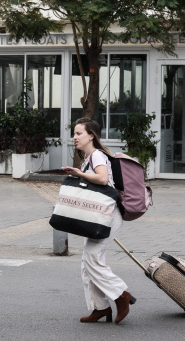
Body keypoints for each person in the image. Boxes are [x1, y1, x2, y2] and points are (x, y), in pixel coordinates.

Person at [62, 117, 135, 324]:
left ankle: (121, 295)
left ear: (91, 135)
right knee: (88, 262)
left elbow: (102, 179)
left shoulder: (96, 156)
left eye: (79, 133)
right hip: (99, 216)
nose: (74, 137)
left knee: (92, 258)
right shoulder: (88, 158)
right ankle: (100, 307)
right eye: (74, 133)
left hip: (108, 216)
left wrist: (80, 174)